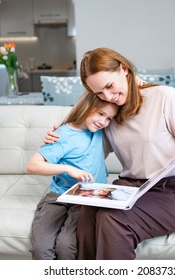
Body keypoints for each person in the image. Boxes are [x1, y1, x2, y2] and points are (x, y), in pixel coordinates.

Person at [44, 47, 175, 260]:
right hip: (130, 189)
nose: (108, 96)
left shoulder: (164, 96)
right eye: (99, 93)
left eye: (109, 86)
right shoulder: (108, 112)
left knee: (113, 219)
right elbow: (86, 154)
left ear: (124, 69)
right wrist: (61, 139)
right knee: (88, 211)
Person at [27, 91, 118, 260]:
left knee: (67, 246)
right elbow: (33, 165)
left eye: (109, 118)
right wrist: (68, 169)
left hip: (88, 198)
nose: (103, 122)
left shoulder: (101, 129)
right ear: (87, 106)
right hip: (58, 196)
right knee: (41, 248)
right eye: (100, 114)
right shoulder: (62, 135)